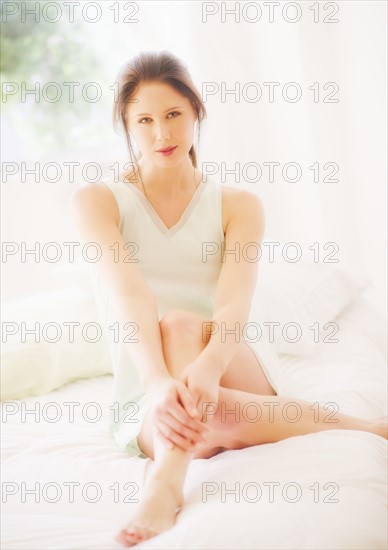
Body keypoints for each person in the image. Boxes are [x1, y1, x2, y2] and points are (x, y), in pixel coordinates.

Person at [71, 50, 387, 547]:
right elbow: (129, 295)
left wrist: (211, 362)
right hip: (147, 383)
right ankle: (366, 425)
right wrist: (157, 383)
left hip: (231, 356)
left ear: (196, 112)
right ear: (127, 127)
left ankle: (165, 486)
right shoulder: (98, 202)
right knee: (211, 413)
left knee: (179, 324)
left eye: (174, 115)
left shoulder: (238, 205)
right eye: (145, 120)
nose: (162, 134)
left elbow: (234, 304)